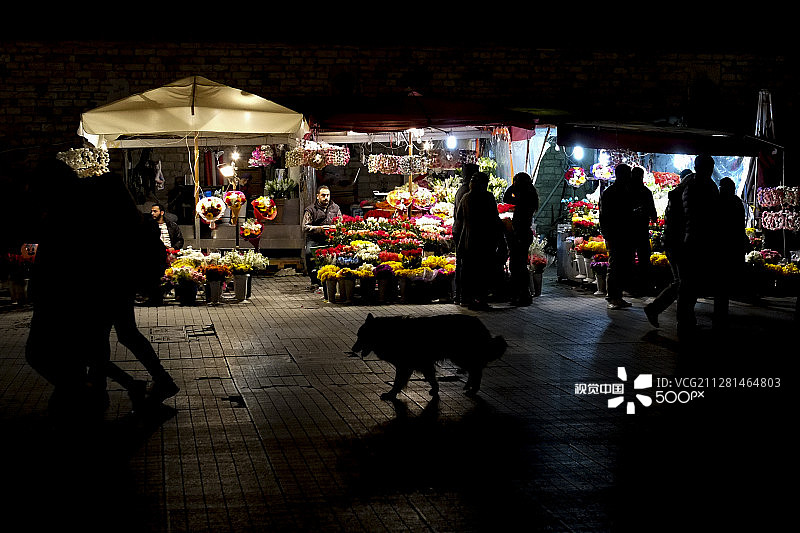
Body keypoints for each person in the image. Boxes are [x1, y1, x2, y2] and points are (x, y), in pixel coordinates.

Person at [676, 154, 720, 339]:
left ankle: (685, 317)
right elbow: (709, 214)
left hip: (689, 238)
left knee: (689, 283)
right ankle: (684, 318)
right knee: (689, 283)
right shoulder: (703, 186)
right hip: (697, 239)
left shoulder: (689, 184)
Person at [643, 169, 694, 327]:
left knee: (683, 282)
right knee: (683, 282)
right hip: (677, 244)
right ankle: (657, 309)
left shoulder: (675, 196)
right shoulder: (682, 198)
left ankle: (680, 316)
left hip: (672, 243)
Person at [454, 172, 503, 310]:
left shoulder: (466, 197)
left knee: (469, 270)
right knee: (482, 270)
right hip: (484, 239)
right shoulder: (487, 197)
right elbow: (494, 218)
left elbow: (459, 218)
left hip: (469, 239)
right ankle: (480, 299)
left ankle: (467, 298)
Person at [599, 164, 636, 309]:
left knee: (622, 265)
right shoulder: (611, 192)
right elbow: (605, 215)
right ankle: (613, 297)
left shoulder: (624, 191)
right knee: (615, 266)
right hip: (616, 234)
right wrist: (607, 233)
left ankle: (618, 295)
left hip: (624, 233)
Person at [713, 176, 746, 328]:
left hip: (721, 248)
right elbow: (739, 227)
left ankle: (719, 316)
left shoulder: (718, 202)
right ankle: (721, 316)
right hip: (730, 248)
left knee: (721, 286)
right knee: (723, 286)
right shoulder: (735, 202)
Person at [503, 172, 540, 306]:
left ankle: (523, 294)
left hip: (521, 234)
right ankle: (521, 294)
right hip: (523, 233)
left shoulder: (524, 198)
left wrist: (512, 186)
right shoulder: (529, 195)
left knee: (517, 265)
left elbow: (507, 198)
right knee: (518, 265)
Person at [452, 163, 478, 305]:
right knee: (465, 265)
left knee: (463, 264)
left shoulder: (463, 190)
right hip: (464, 233)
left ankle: (461, 296)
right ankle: (463, 296)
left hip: (461, 232)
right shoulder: (466, 193)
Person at [303, 185, 342, 282]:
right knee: (309, 254)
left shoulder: (336, 208)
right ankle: (314, 280)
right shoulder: (310, 210)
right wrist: (320, 228)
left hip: (330, 238)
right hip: (314, 238)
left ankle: (333, 279)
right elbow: (305, 227)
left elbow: (341, 224)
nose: (326, 198)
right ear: (317, 196)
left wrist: (335, 228)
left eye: (328, 195)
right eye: (323, 195)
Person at [630, 166, 658, 295]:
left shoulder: (627, 190)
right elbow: (653, 213)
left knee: (632, 259)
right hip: (640, 229)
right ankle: (643, 286)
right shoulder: (645, 191)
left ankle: (633, 286)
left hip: (631, 230)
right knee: (643, 259)